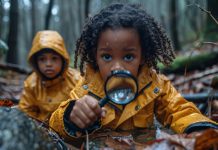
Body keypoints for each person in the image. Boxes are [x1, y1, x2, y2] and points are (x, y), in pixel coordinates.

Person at [49, 3, 218, 143]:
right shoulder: (87, 88)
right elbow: (55, 127)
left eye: (128, 56)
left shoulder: (156, 84)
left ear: (142, 56)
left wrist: (201, 129)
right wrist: (71, 117)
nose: (117, 67)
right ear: (95, 56)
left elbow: (179, 110)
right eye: (107, 56)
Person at [19, 30, 81, 123]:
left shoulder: (76, 79)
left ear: (63, 59)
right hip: (43, 130)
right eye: (42, 59)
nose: (48, 64)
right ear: (36, 62)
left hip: (72, 129)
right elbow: (26, 111)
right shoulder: (31, 83)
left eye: (54, 58)